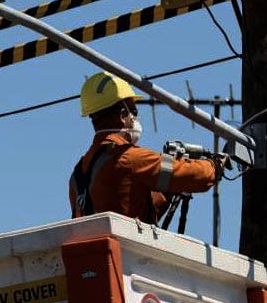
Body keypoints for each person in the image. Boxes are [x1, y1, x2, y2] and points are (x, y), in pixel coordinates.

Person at [69, 72, 224, 222]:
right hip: (123, 248)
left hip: (97, 248)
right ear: (123, 115)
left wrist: (167, 192)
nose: (135, 118)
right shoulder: (130, 158)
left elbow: (135, 211)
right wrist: (217, 165)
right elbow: (196, 175)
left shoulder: (77, 175)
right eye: (133, 112)